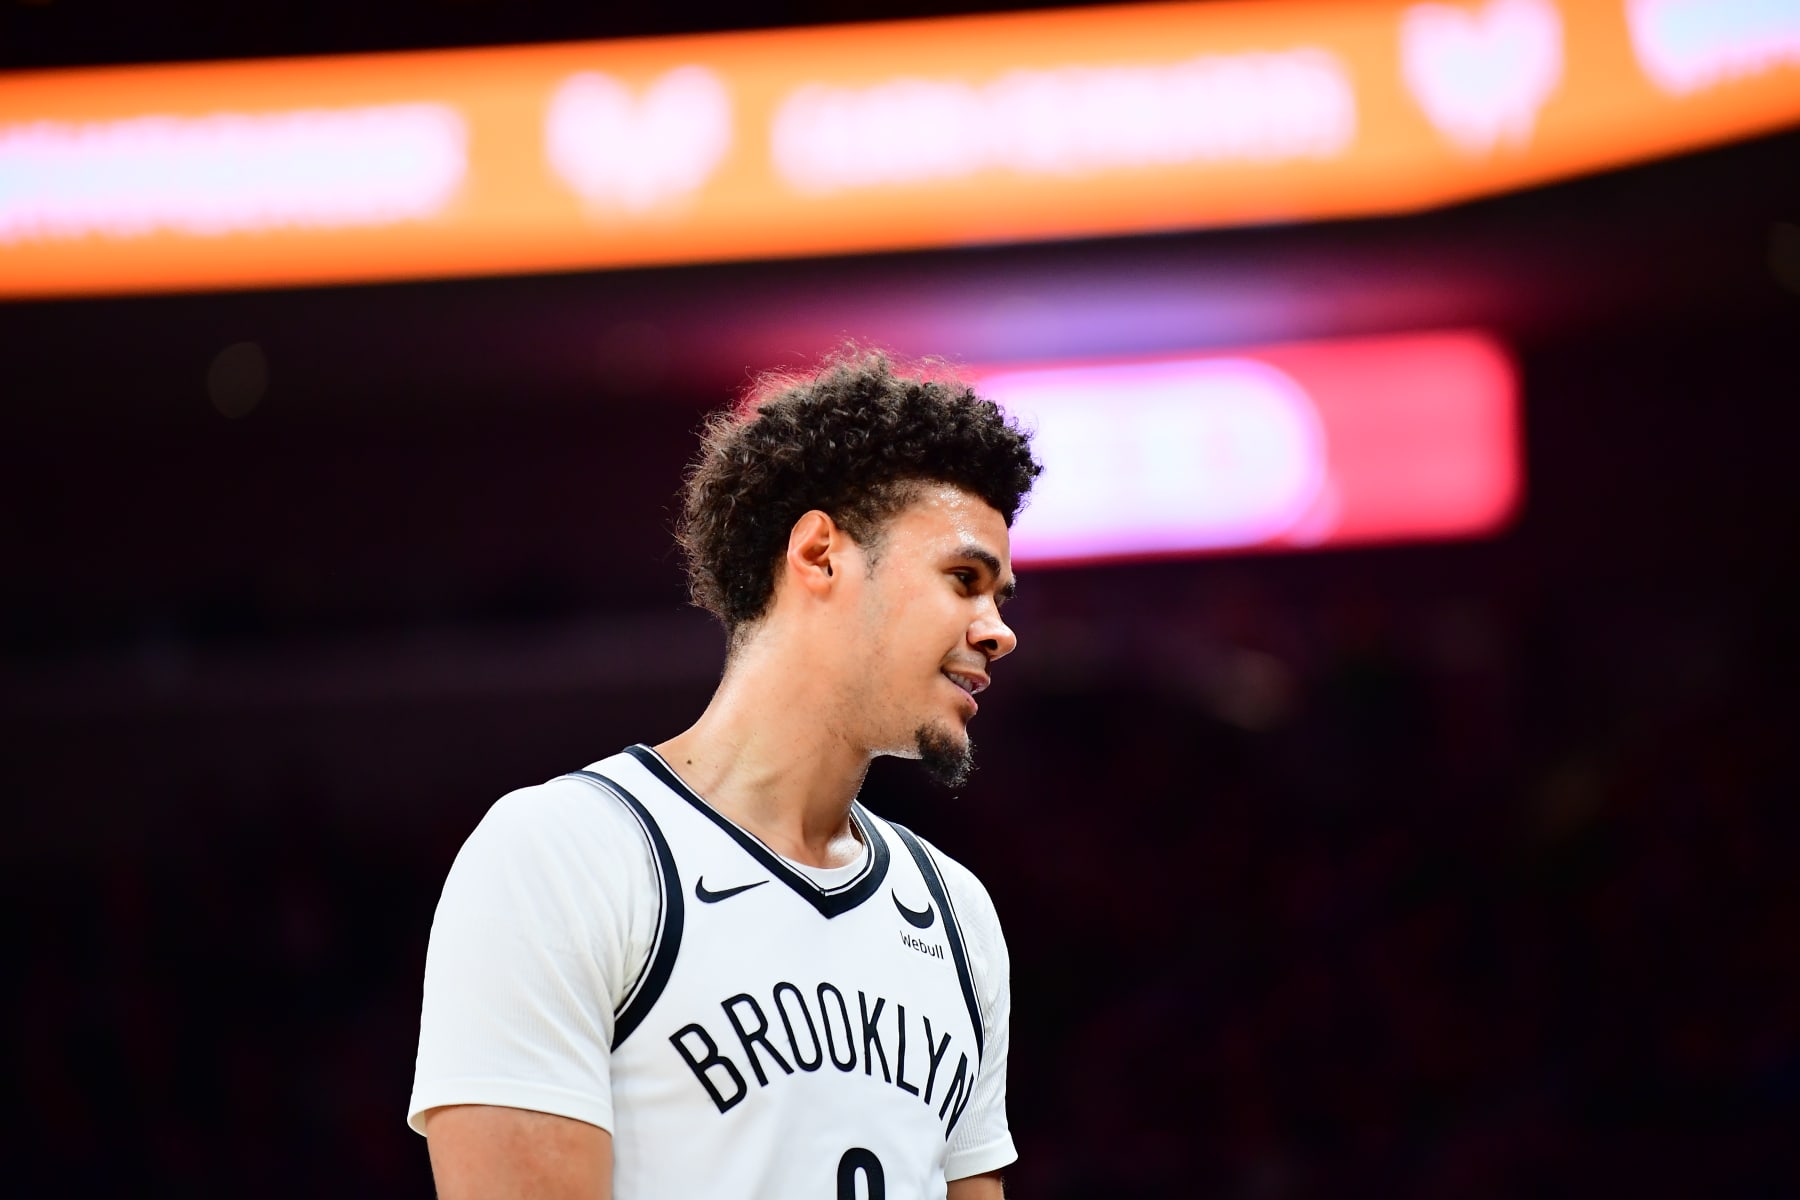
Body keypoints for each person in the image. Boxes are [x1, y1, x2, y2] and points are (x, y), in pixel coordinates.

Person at [408, 348, 1042, 1199]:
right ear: (820, 554)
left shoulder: (958, 915)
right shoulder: (562, 856)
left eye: (1000, 597)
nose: (996, 629)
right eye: (964, 579)